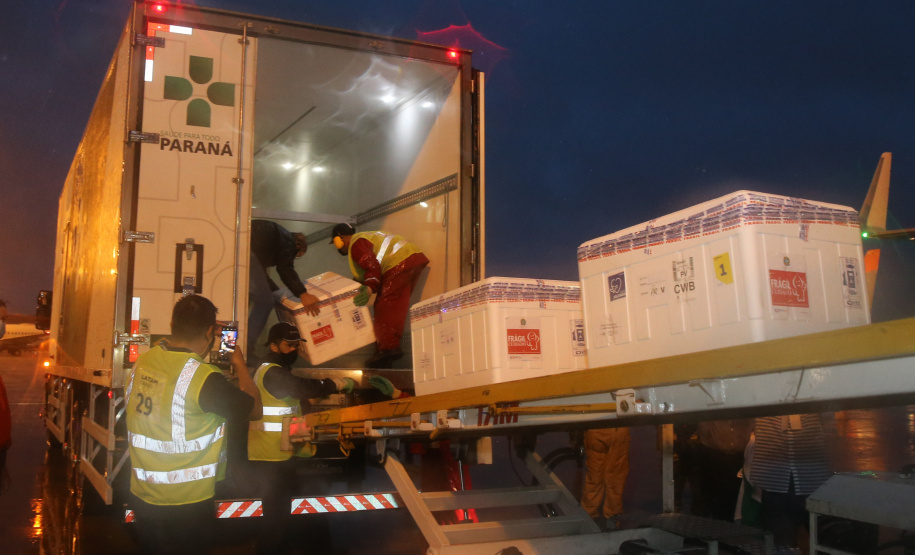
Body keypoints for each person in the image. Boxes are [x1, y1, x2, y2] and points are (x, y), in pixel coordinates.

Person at [126, 294, 262, 555]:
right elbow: (255, 410)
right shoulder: (203, 378)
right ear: (211, 332)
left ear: (172, 323)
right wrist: (240, 364)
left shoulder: (144, 361)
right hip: (186, 502)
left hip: (143, 496)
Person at [248, 322, 354, 554]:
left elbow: (292, 402)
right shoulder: (271, 372)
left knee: (280, 516)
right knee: (275, 520)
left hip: (278, 453)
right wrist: (335, 384)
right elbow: (300, 388)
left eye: (296, 345)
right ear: (274, 346)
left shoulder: (274, 370)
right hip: (270, 456)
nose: (293, 350)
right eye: (289, 345)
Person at [330, 223, 429, 368]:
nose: (336, 247)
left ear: (340, 238)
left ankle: (389, 349)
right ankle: (387, 350)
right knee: (396, 304)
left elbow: (371, 265)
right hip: (411, 259)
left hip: (398, 262)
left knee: (385, 304)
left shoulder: (356, 244)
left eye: (334, 242)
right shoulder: (365, 239)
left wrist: (370, 287)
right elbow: (363, 275)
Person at [750, 414, 832, 550]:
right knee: (782, 546)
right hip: (775, 481)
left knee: (825, 543)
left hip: (812, 479)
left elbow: (829, 422)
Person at [248, 219, 321, 361]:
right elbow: (285, 268)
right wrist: (303, 294)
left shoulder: (275, 239)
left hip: (244, 250)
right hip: (246, 252)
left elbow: (262, 276)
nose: (293, 258)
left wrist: (277, 294)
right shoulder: (288, 241)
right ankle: (247, 347)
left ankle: (243, 344)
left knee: (261, 299)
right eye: (297, 256)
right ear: (298, 246)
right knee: (265, 302)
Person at [691, 419, 753, 520]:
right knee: (714, 499)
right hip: (713, 456)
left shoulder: (746, 409)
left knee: (737, 498)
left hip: (740, 458)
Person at [580, 426, 631, 531]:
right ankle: (612, 518)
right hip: (618, 429)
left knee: (594, 478)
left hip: (596, 428)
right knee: (616, 479)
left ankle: (588, 518)